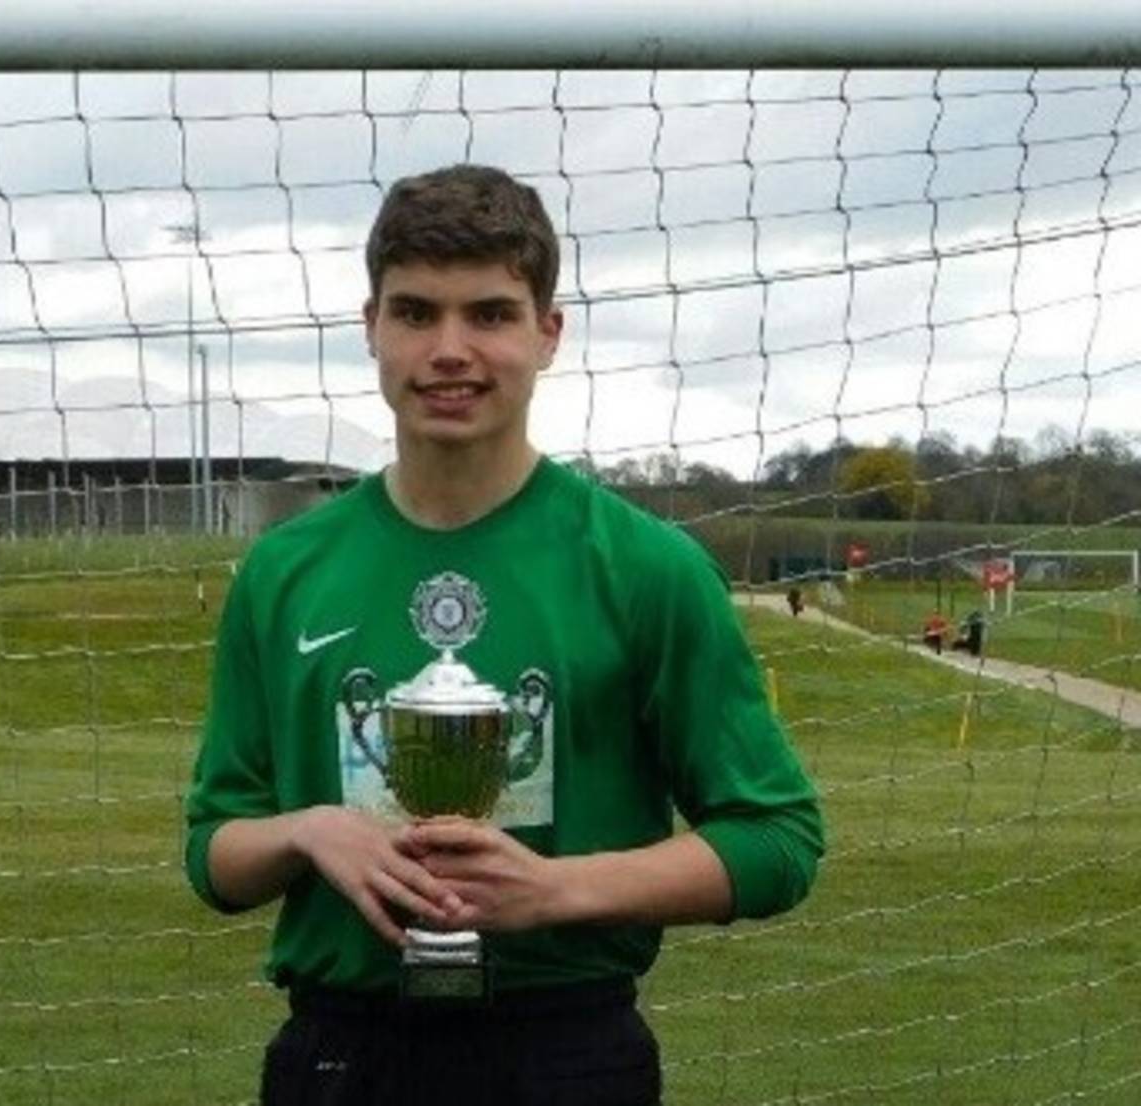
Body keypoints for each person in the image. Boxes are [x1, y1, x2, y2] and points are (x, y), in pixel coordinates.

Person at [184, 164, 825, 1106]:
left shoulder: (646, 567)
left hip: (564, 1051)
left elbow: (779, 842)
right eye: (415, 313)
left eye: (488, 314)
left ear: (548, 333)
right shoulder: (284, 572)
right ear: (370, 328)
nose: (450, 349)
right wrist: (311, 832)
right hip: (340, 1052)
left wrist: (558, 890)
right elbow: (214, 853)